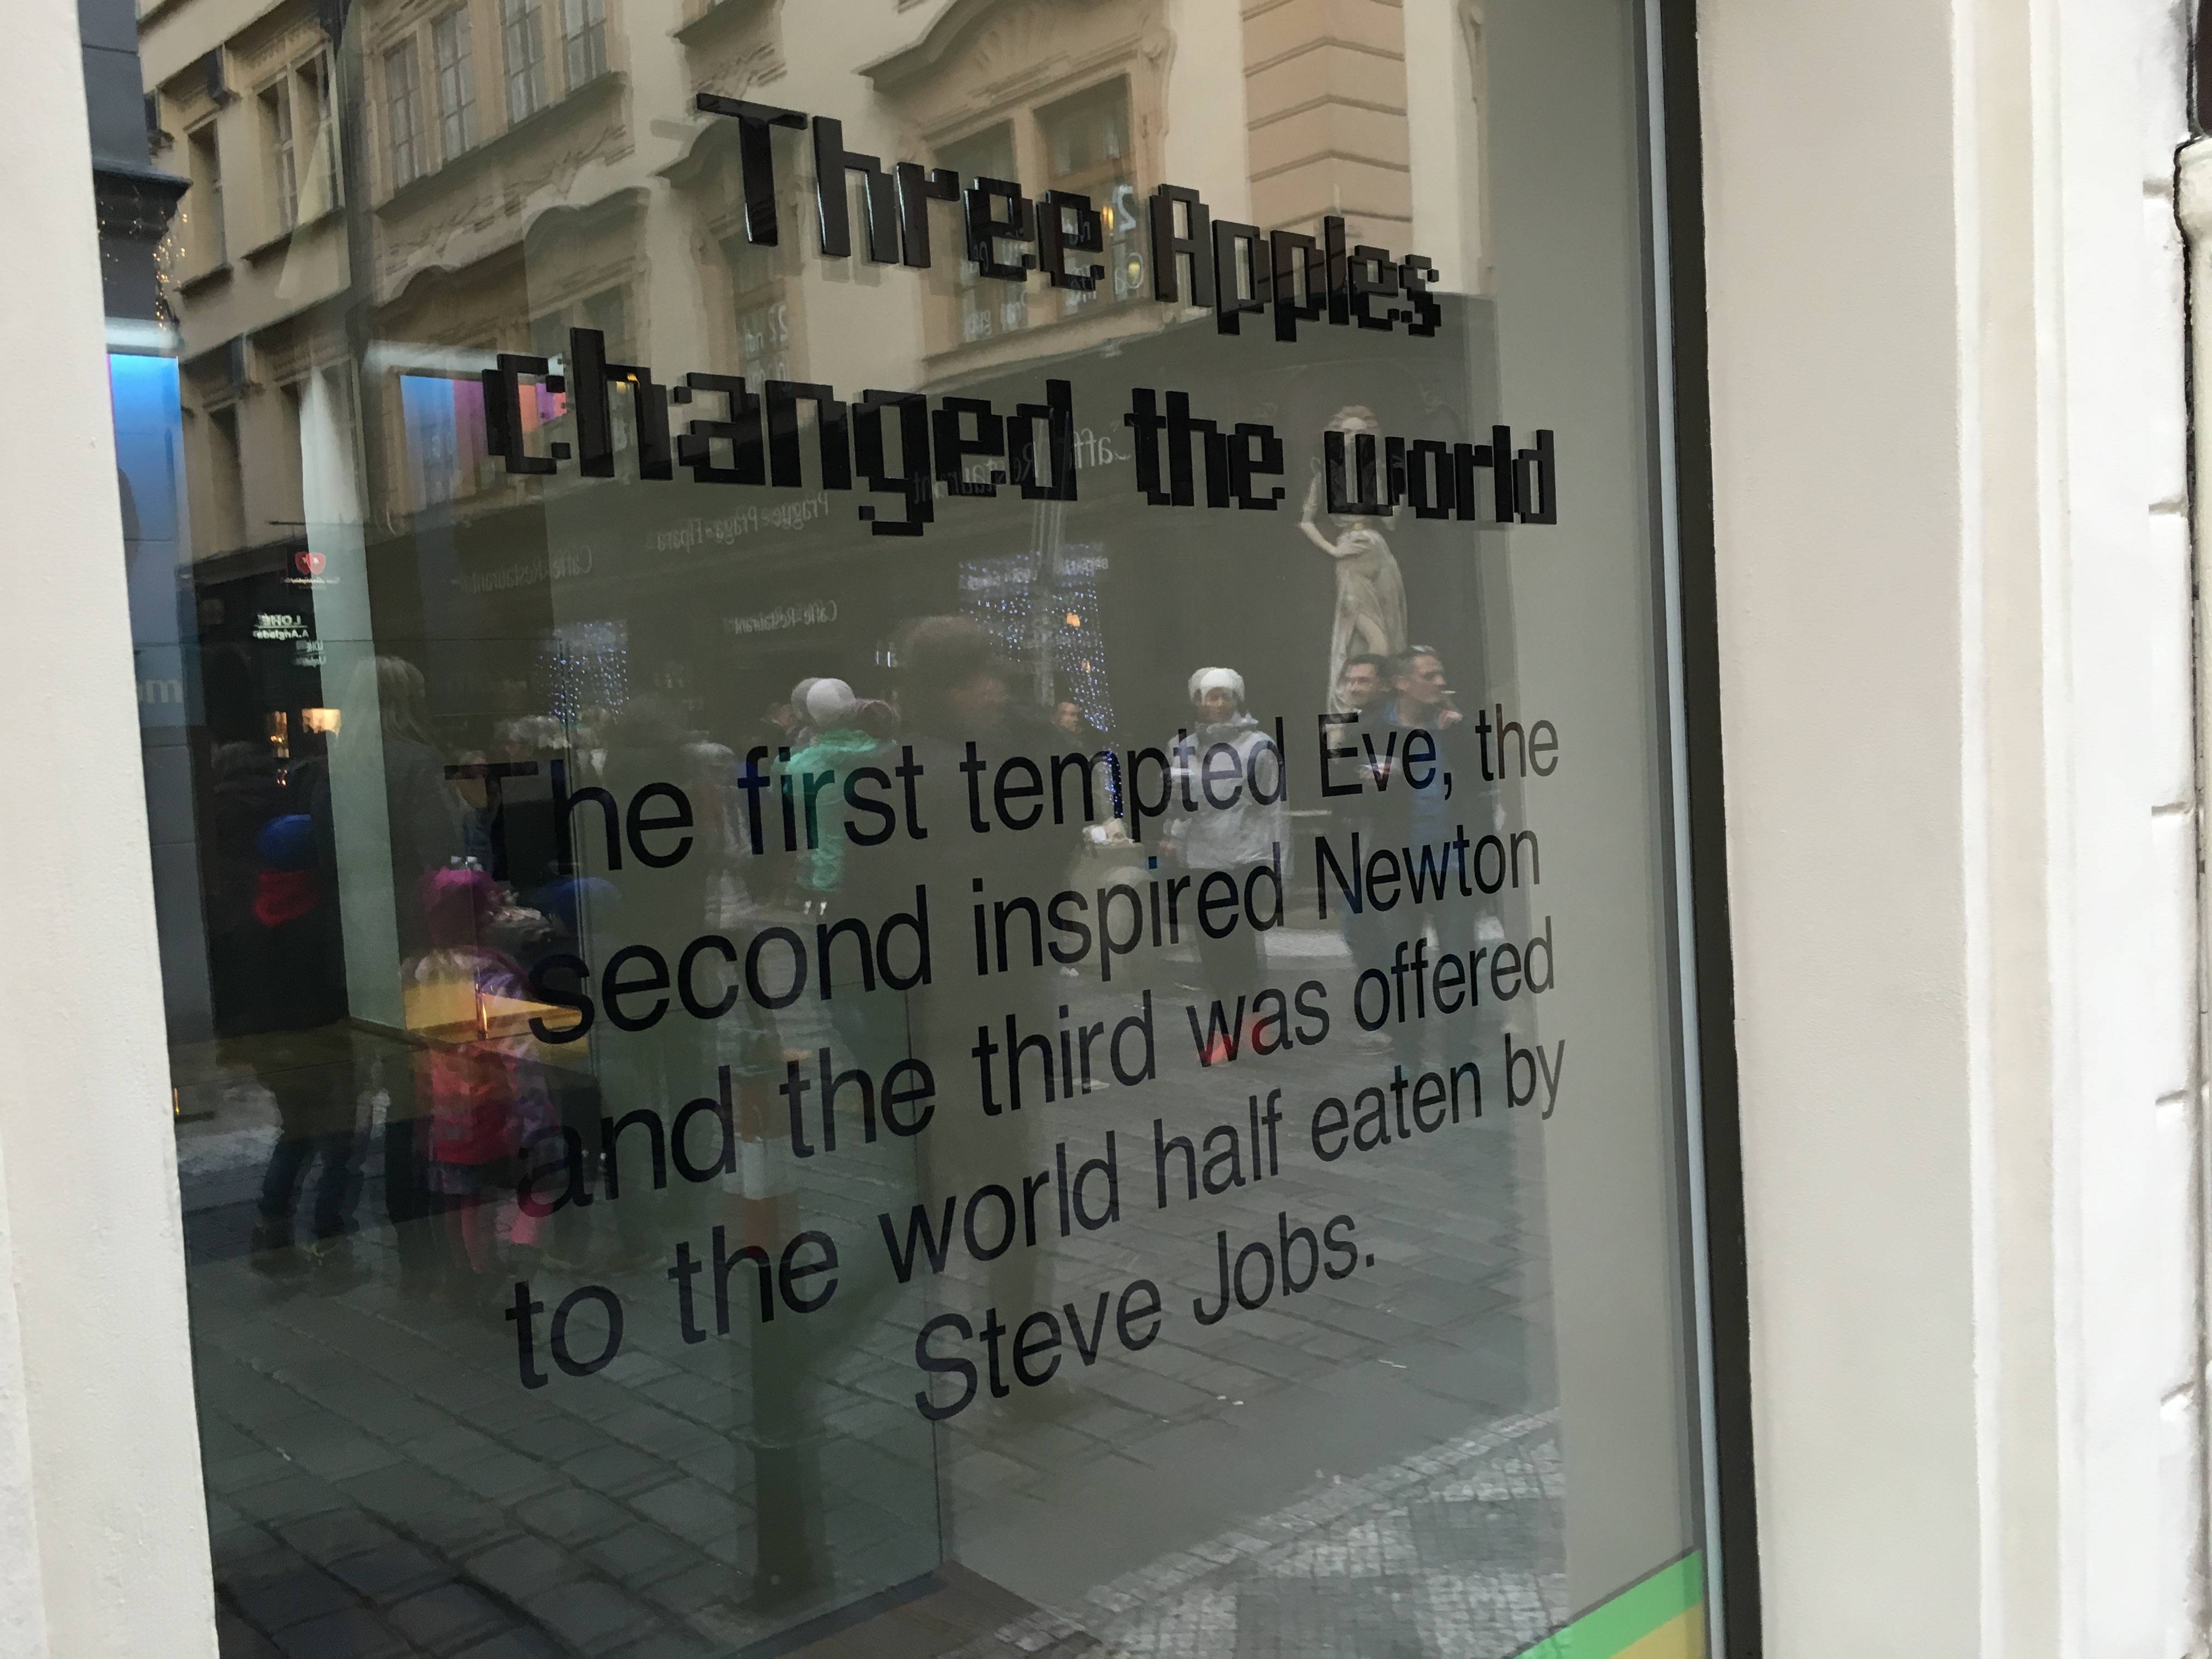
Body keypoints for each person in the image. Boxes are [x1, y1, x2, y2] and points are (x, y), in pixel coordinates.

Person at [1166, 668, 1290, 1059]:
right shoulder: (1183, 747)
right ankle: (1227, 1028)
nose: (1217, 704)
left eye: (1225, 696)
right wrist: (1174, 834)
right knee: (1211, 949)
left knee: (1240, 945)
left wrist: (1279, 866)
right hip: (1203, 860)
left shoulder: (1259, 746)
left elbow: (1275, 809)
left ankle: (1250, 1021)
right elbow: (1180, 803)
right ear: (1197, 702)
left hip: (1245, 859)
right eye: (1210, 697)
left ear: (1237, 699)